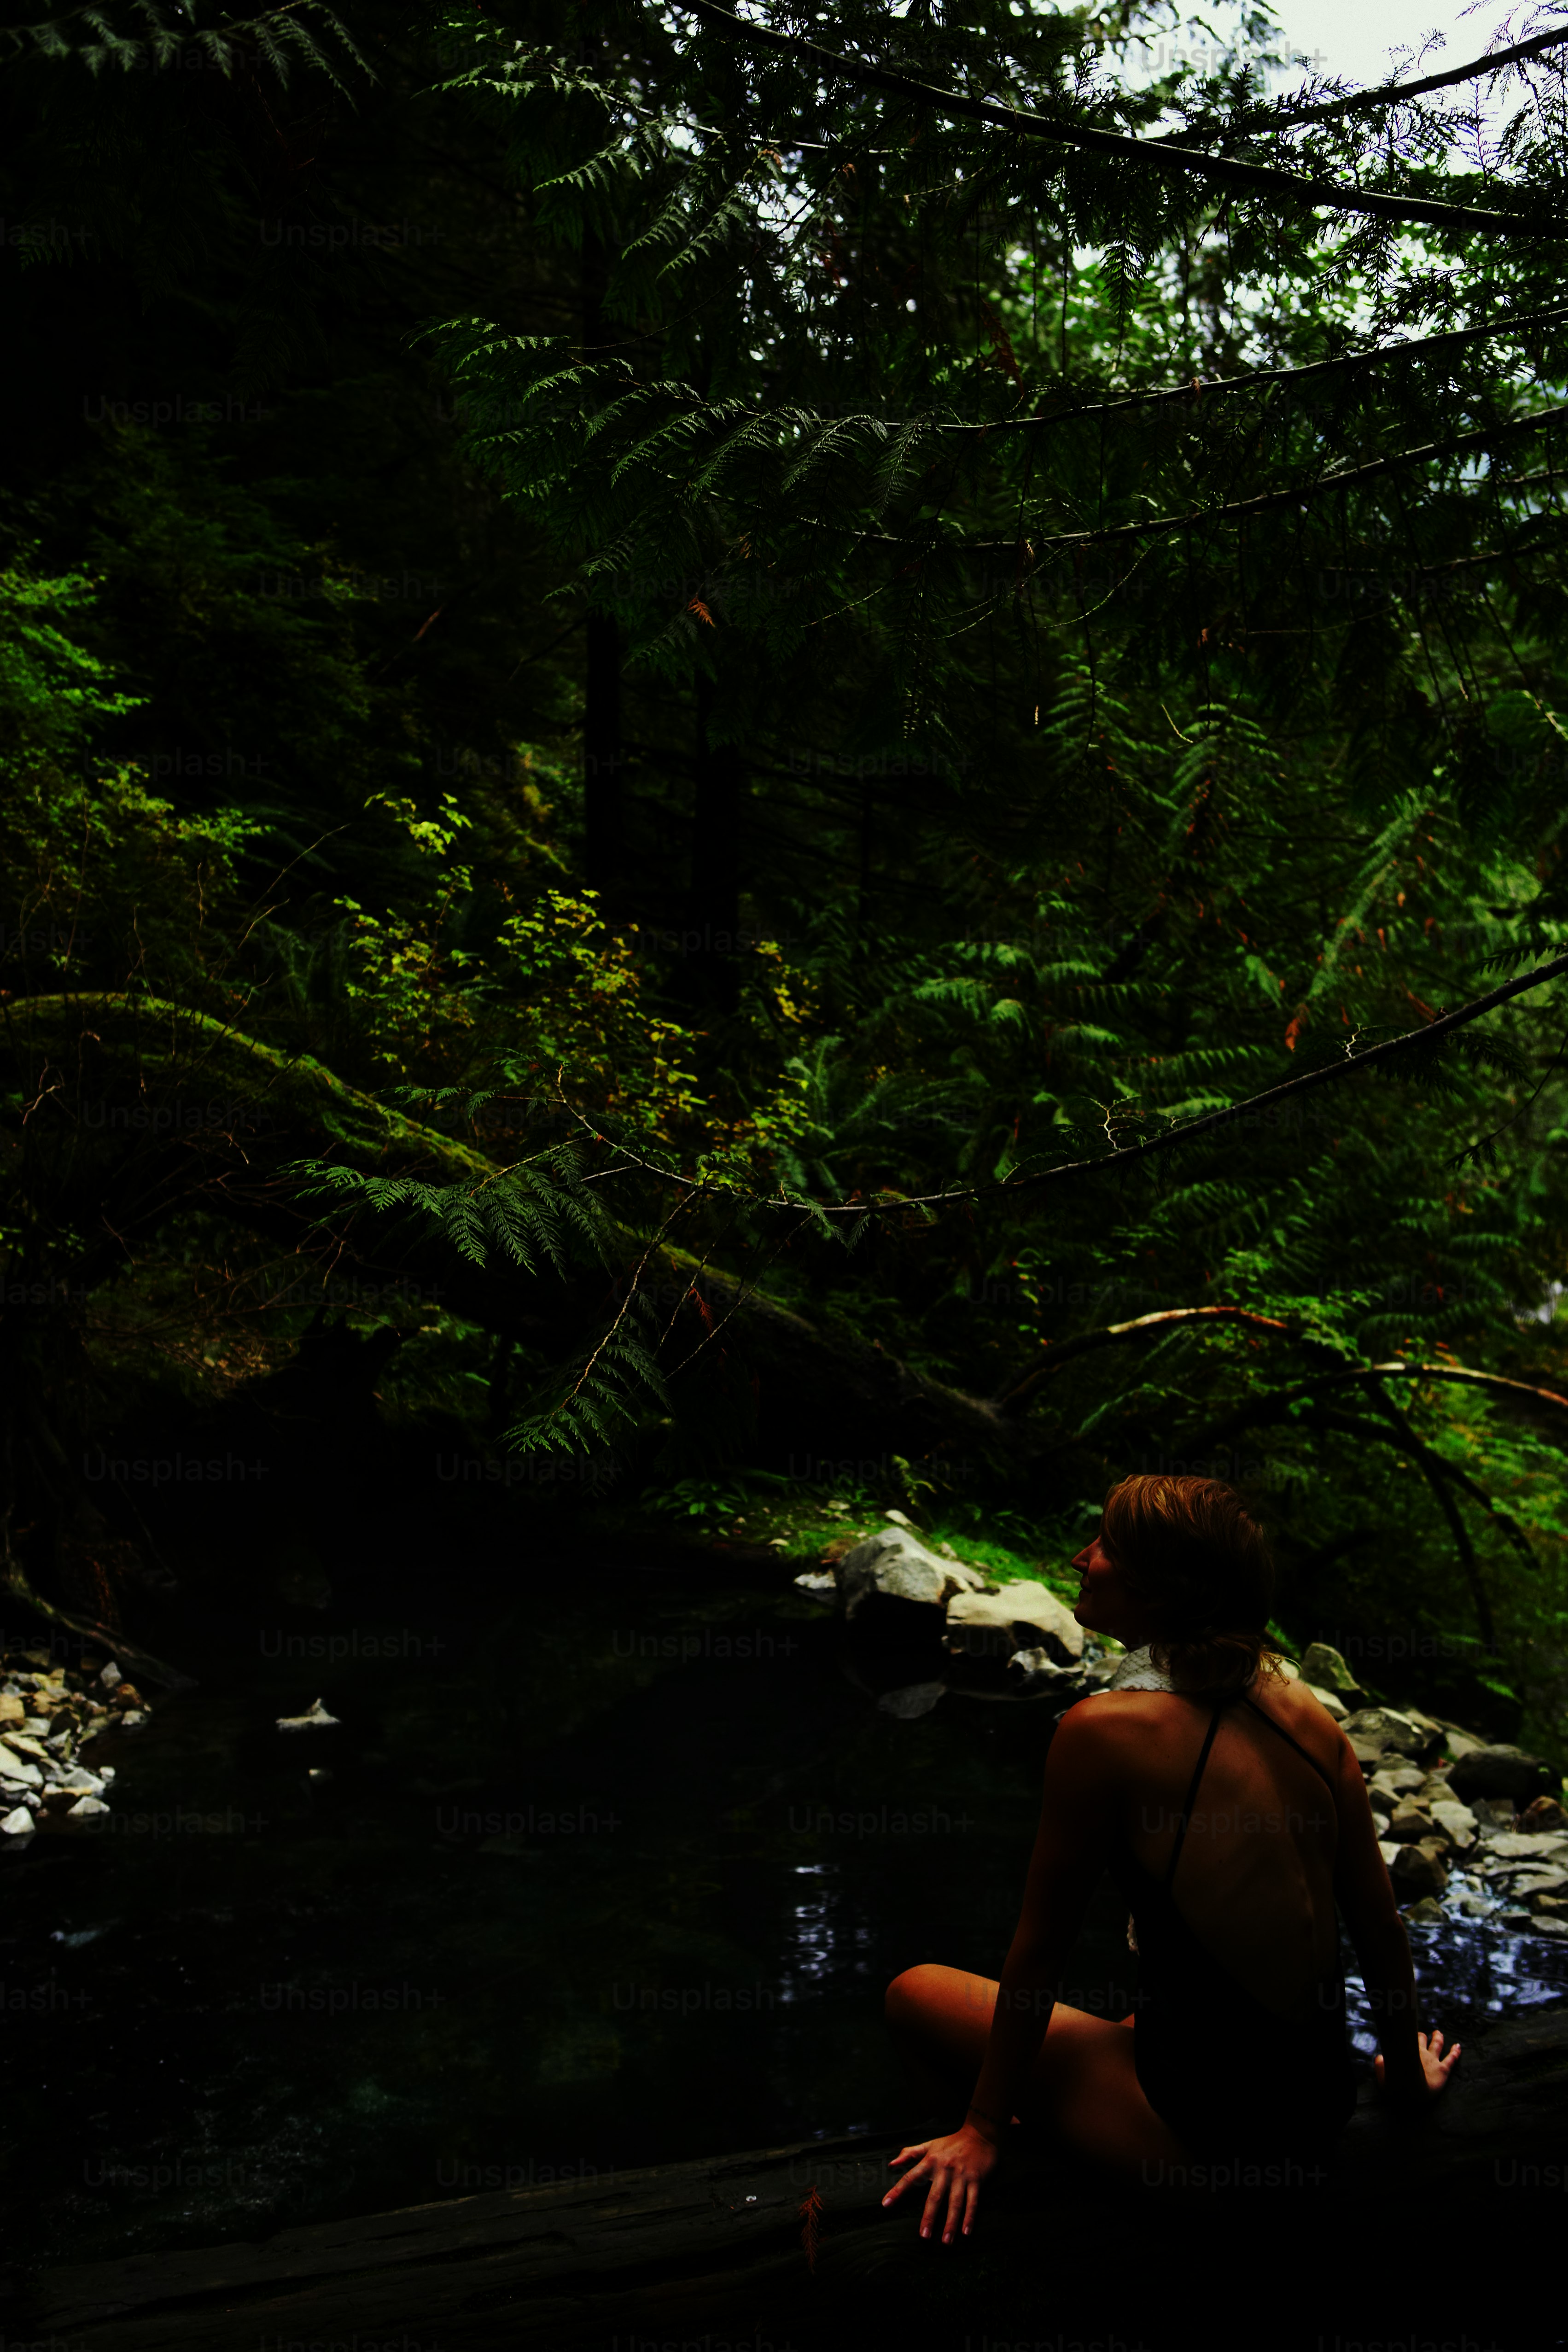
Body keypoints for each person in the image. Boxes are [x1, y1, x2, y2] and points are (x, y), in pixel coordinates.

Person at [881, 1473, 1460, 2241]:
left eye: (1109, 1547)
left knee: (913, 1991)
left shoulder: (1104, 1732)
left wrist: (983, 2125)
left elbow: (1040, 1950)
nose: (1082, 1556)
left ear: (1167, 1590)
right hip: (1317, 2113)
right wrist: (1408, 2076)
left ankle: (972, 2173)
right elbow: (1380, 1926)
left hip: (1211, 2160)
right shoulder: (1298, 1705)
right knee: (1135, 2017)